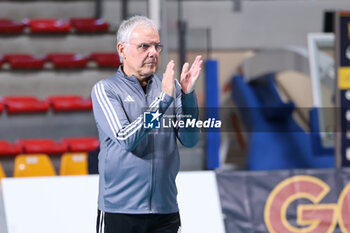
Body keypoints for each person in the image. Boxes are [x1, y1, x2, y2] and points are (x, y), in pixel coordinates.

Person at [91, 15, 202, 233]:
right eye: (144, 46)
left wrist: (187, 96)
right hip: (120, 211)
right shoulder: (106, 90)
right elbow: (126, 137)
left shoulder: (170, 87)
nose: (153, 52)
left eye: (156, 46)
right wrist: (163, 101)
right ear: (122, 50)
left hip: (165, 210)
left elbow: (190, 139)